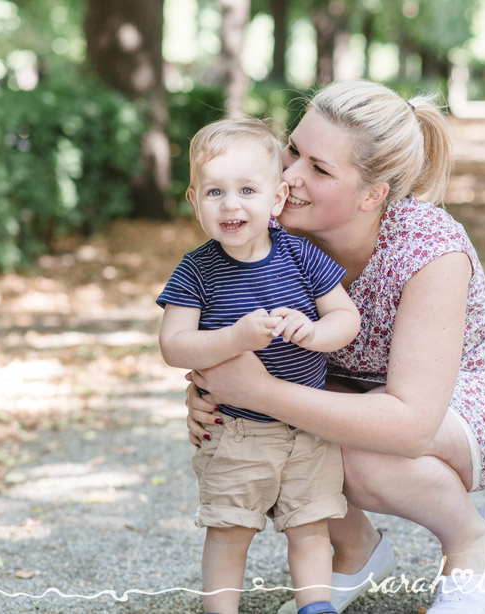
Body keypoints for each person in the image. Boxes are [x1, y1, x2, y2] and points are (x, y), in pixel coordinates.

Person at [184, 81, 485, 614]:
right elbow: (224, 338)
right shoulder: (271, 232)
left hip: (482, 386)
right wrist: (209, 393)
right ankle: (356, 552)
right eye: (293, 150)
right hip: (363, 384)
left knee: (352, 451)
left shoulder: (428, 251)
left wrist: (258, 392)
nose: (289, 176)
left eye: (320, 168)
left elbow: (409, 425)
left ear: (372, 195)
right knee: (252, 434)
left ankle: (470, 541)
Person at [158, 117, 361, 614]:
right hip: (236, 432)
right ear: (194, 201)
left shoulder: (300, 255)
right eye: (214, 192)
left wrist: (313, 333)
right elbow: (174, 346)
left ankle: (316, 606)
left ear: (275, 200)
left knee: (311, 529)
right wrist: (233, 338)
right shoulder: (196, 270)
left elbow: (346, 316)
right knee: (230, 532)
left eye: (247, 189)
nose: (231, 204)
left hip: (307, 428)